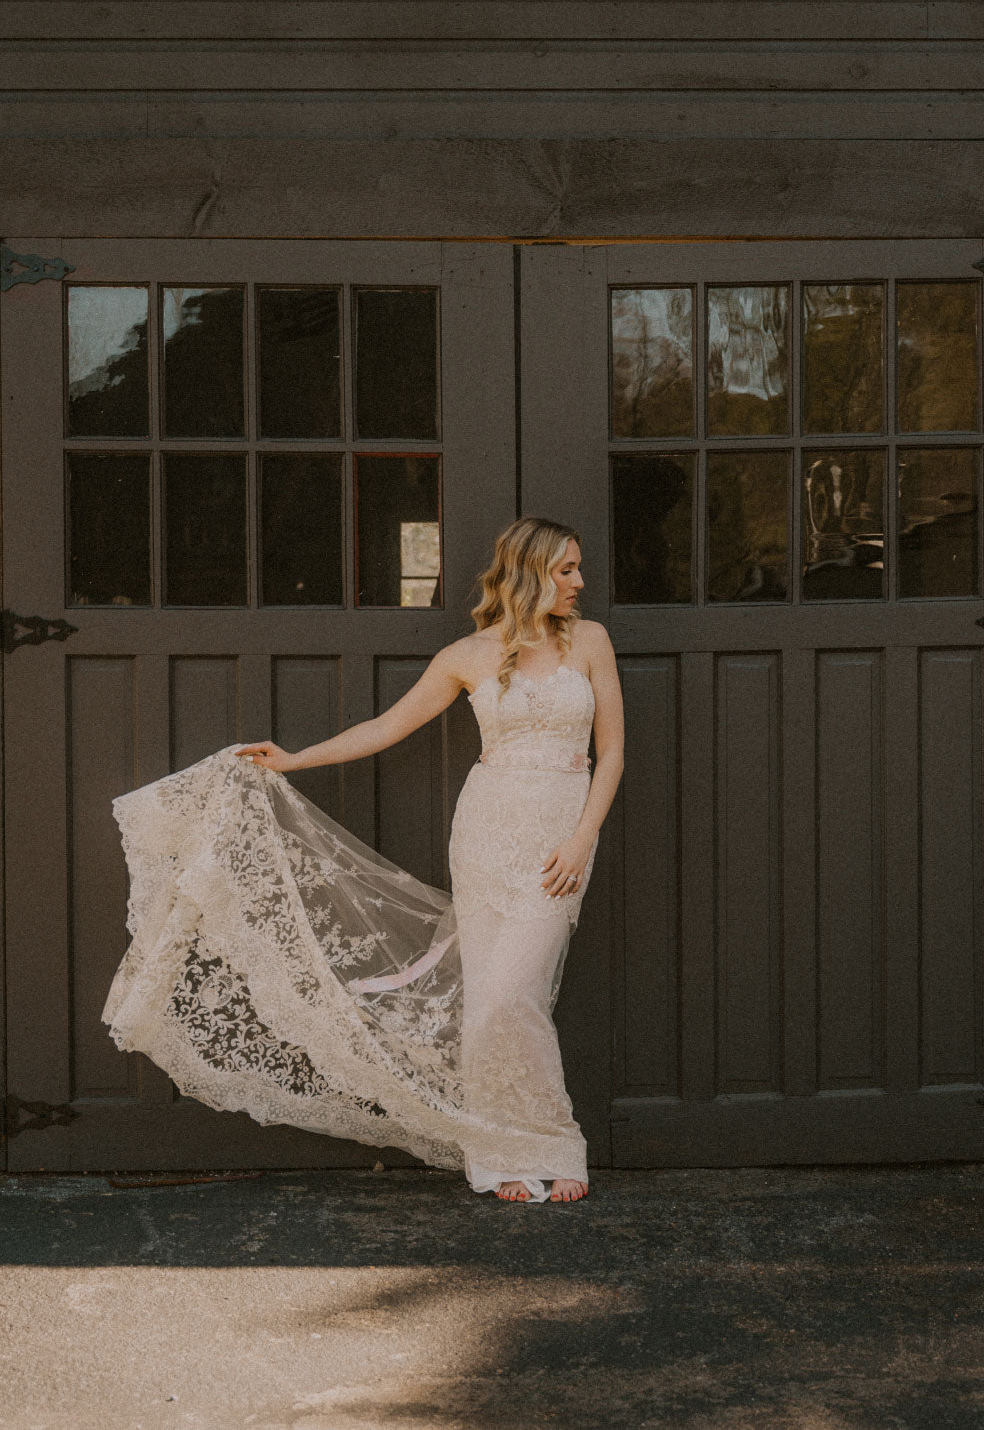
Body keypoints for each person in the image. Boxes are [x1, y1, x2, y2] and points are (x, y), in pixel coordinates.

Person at [102, 516, 625, 1203]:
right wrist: (295, 758)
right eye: (566, 570)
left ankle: (557, 1142)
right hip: (486, 833)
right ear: (528, 572)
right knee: (489, 1003)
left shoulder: (589, 642)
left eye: (578, 568)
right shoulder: (466, 655)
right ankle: (498, 1154)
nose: (579, 582)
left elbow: (611, 751)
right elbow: (386, 727)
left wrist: (583, 835)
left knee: (511, 997)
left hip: (560, 833)